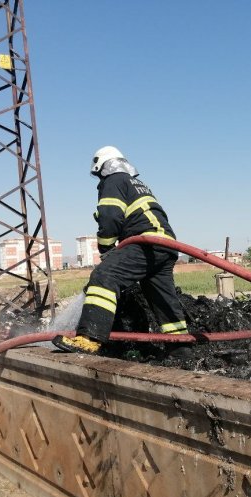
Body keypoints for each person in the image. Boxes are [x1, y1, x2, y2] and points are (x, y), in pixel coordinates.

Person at [52, 146, 190, 355]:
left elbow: (110, 216)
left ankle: (89, 338)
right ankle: (180, 348)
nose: (99, 179)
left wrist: (106, 247)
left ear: (102, 167)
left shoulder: (114, 180)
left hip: (145, 242)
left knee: (105, 275)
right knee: (162, 296)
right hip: (165, 246)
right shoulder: (137, 184)